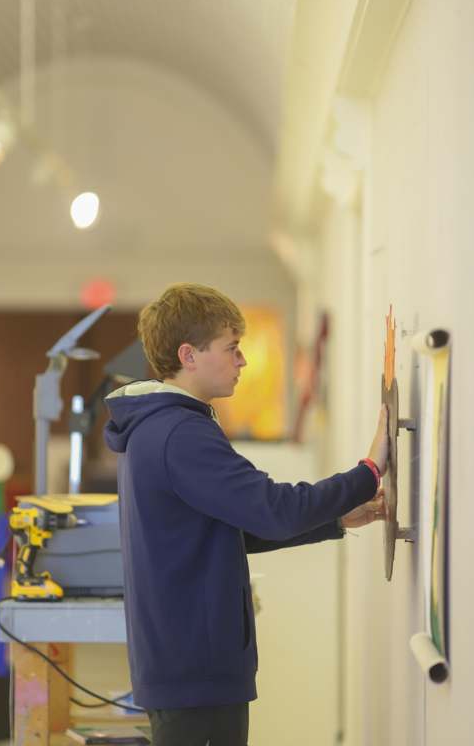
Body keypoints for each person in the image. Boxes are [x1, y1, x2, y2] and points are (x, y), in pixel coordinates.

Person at [104, 283, 388, 746]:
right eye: (232, 348)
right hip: (196, 674)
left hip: (188, 670)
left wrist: (336, 519)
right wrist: (368, 471)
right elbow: (275, 510)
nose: (243, 361)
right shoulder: (180, 434)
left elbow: (235, 528)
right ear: (189, 355)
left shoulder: (163, 427)